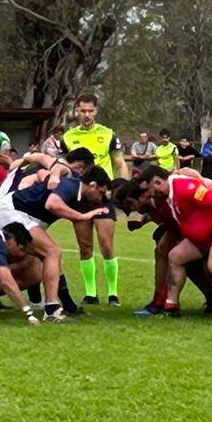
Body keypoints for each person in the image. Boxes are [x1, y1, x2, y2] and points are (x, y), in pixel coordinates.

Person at [0, 166, 114, 322]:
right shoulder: (72, 185)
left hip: (20, 216)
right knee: (52, 252)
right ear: (92, 185)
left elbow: (53, 171)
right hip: (13, 212)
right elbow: (52, 204)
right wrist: (81, 216)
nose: (101, 200)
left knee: (33, 275)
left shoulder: (76, 189)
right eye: (101, 193)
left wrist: (55, 173)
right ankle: (52, 310)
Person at [116, 168, 212, 321]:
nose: (148, 194)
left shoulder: (184, 187)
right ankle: (171, 306)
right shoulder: (166, 195)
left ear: (158, 182)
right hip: (199, 239)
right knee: (175, 256)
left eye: (149, 189)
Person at [61, 94, 130, 307]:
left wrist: (122, 187)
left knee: (106, 244)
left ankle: (113, 294)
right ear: (77, 111)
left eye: (90, 111)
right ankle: (90, 293)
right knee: (85, 247)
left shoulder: (108, 134)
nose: (86, 115)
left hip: (103, 196)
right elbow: (63, 165)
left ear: (96, 111)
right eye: (82, 111)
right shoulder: (68, 137)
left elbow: (120, 162)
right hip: (80, 197)